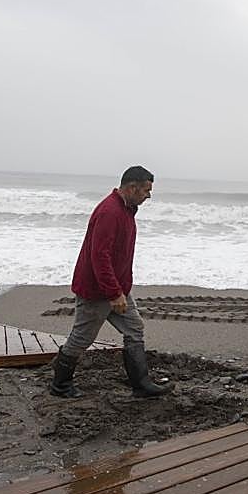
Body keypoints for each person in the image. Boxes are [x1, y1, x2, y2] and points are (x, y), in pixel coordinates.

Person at [50, 165, 170, 399]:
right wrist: (114, 293)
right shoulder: (110, 211)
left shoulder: (126, 209)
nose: (149, 195)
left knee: (134, 328)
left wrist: (120, 290)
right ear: (132, 187)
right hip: (98, 291)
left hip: (116, 289)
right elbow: (99, 257)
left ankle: (141, 385)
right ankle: (60, 385)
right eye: (146, 190)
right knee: (82, 338)